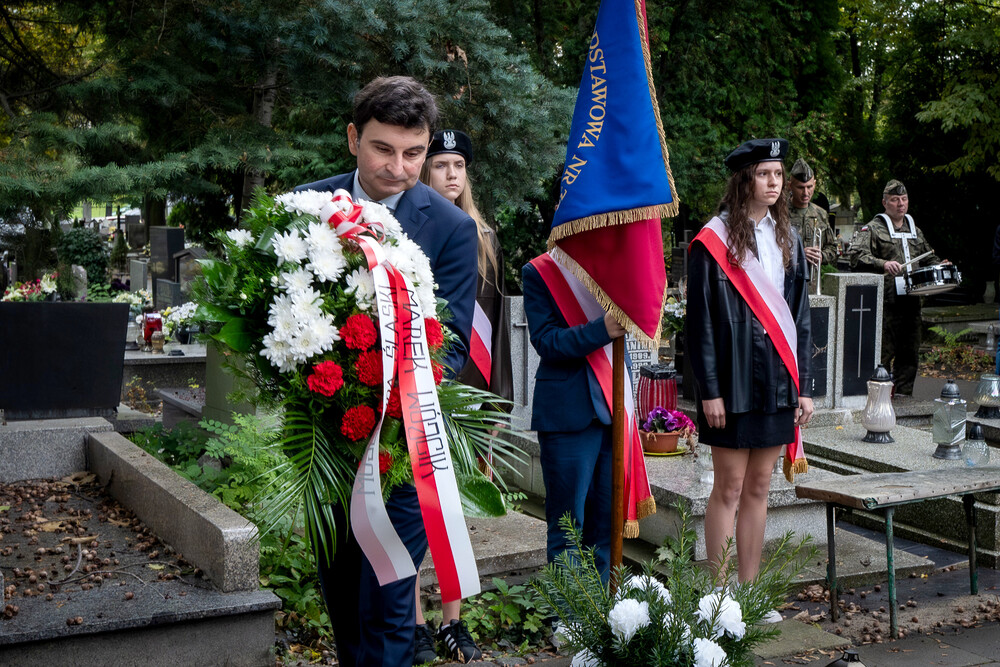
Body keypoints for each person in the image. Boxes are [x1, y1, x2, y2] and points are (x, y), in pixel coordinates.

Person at [294, 76, 479, 667]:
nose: (398, 169)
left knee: (391, 608)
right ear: (354, 138)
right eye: (383, 149)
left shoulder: (451, 229)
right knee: (344, 601)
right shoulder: (306, 207)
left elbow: (451, 345)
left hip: (403, 449)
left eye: (413, 153)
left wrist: (391, 395)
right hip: (326, 443)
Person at [686, 139, 813, 614]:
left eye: (778, 174)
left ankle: (749, 593)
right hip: (732, 382)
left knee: (761, 486)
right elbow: (699, 322)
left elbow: (799, 318)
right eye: (764, 174)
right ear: (744, 180)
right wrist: (709, 391)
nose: (774, 183)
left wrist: (805, 386)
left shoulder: (789, 238)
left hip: (778, 380)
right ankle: (719, 597)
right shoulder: (714, 239)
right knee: (729, 487)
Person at [411, 129, 513, 664]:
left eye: (459, 165)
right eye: (440, 164)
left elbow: (496, 325)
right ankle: (414, 624)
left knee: (455, 511)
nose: (451, 174)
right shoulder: (409, 230)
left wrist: (497, 403)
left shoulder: (485, 238)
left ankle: (453, 621)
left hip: (469, 395)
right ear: (425, 171)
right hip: (417, 387)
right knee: (413, 510)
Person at [522, 256, 627, 586]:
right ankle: (568, 612)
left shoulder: (613, 266)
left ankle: (601, 608)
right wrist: (601, 330)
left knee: (606, 526)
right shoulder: (539, 271)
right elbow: (546, 341)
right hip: (566, 415)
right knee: (568, 527)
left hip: (615, 409)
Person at [848, 180, 948, 396]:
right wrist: (882, 264)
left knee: (910, 354)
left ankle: (904, 398)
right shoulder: (873, 228)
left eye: (904, 199)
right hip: (885, 303)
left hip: (912, 302)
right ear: (885, 203)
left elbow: (928, 257)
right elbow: (855, 256)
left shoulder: (915, 230)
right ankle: (877, 400)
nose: (900, 204)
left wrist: (940, 266)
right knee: (882, 354)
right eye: (895, 200)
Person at [788, 158, 838, 269]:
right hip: (787, 276)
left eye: (809, 187)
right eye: (800, 187)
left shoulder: (821, 214)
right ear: (789, 186)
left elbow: (833, 248)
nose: (806, 193)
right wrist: (799, 254)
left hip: (812, 277)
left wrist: (822, 256)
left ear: (814, 184)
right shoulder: (779, 213)